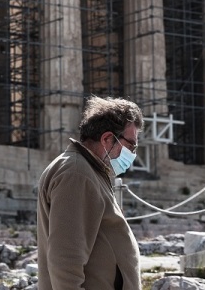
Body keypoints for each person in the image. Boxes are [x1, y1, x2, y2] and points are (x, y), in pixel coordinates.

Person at [36, 95, 144, 290]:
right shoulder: (77, 174)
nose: (133, 154)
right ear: (107, 138)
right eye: (131, 146)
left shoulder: (87, 170)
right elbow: (66, 258)